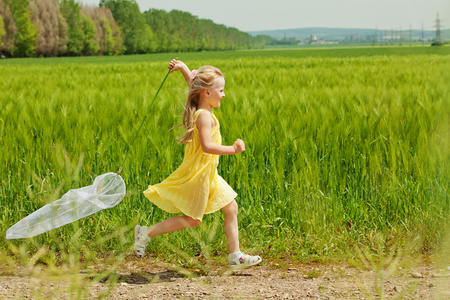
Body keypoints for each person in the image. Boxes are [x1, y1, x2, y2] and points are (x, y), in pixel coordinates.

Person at [134, 59, 262, 269]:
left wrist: (184, 69)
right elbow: (207, 146)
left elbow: (194, 87)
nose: (223, 94)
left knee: (231, 207)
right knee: (194, 219)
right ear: (207, 93)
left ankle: (235, 256)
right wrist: (233, 149)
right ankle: (146, 233)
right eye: (220, 90)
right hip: (200, 174)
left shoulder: (201, 109)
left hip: (209, 173)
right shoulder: (204, 117)